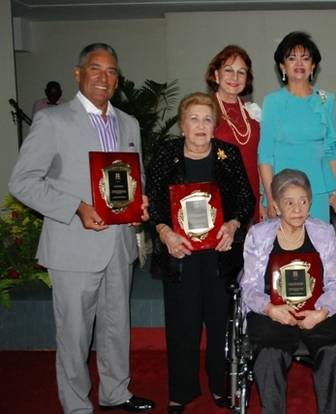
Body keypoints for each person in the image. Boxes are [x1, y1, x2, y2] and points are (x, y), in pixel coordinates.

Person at [9, 43, 153, 413]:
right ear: (78, 73)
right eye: (95, 69)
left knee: (116, 326)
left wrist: (140, 206)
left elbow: (132, 180)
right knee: (74, 334)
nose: (104, 78)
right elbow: (23, 182)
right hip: (73, 244)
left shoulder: (129, 123)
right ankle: (76, 406)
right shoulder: (53, 121)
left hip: (119, 242)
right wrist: (75, 207)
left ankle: (115, 392)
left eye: (111, 72)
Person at [146, 92, 255, 414]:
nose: (200, 125)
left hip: (219, 256)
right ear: (182, 125)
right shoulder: (167, 153)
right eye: (193, 118)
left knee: (221, 322)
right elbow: (151, 200)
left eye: (207, 119)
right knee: (183, 324)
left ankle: (221, 387)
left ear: (215, 126)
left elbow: (246, 200)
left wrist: (233, 226)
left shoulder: (228, 155)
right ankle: (182, 390)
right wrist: (165, 232)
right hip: (179, 255)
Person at [240, 169, 336, 414]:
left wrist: (322, 312)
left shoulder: (323, 232)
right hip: (274, 310)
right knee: (269, 354)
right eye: (289, 203)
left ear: (310, 204)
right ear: (277, 207)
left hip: (318, 308)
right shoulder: (259, 236)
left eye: (303, 202)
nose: (297, 209)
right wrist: (270, 309)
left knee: (335, 349)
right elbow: (249, 286)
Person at [259, 31, 336, 223]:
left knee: (318, 248)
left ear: (313, 66)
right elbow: (265, 156)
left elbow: (332, 150)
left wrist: (335, 192)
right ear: (282, 67)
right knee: (283, 251)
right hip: (281, 192)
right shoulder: (272, 102)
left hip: (317, 192)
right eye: (292, 58)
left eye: (305, 58)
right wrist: (270, 199)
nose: (299, 63)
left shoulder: (326, 100)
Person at [206, 45, 263, 222]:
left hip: (253, 196)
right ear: (216, 74)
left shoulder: (253, 113)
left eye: (241, 72)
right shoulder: (205, 109)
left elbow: (262, 158)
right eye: (228, 70)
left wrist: (264, 199)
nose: (235, 77)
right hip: (219, 198)